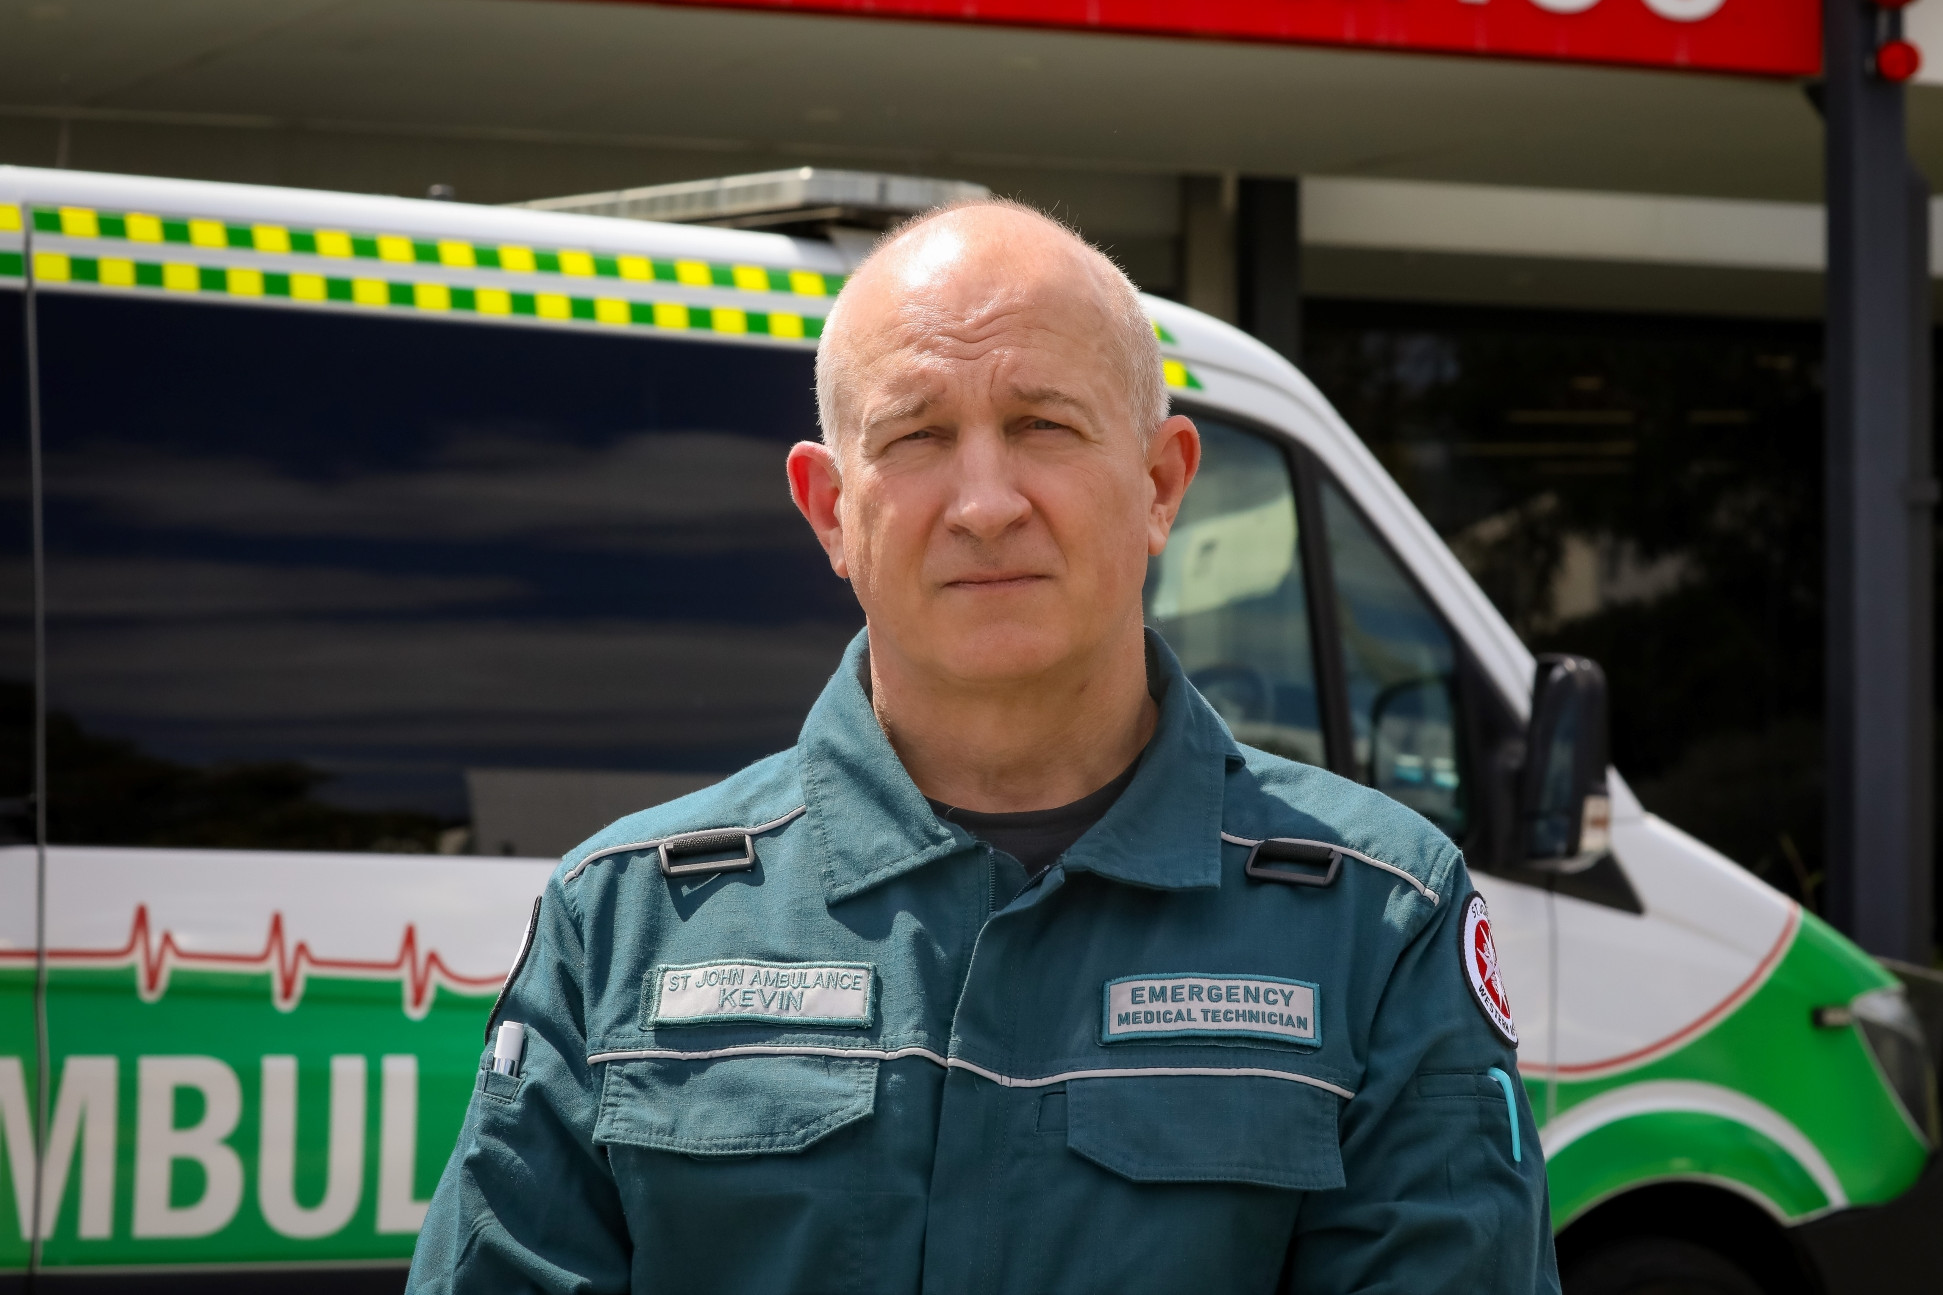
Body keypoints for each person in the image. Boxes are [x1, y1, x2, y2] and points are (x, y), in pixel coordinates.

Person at [406, 199, 1560, 1294]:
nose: (984, 501)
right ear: (829, 512)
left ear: (1160, 484)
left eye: (1041, 425)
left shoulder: (1377, 920)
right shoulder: (621, 920)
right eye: (914, 436)